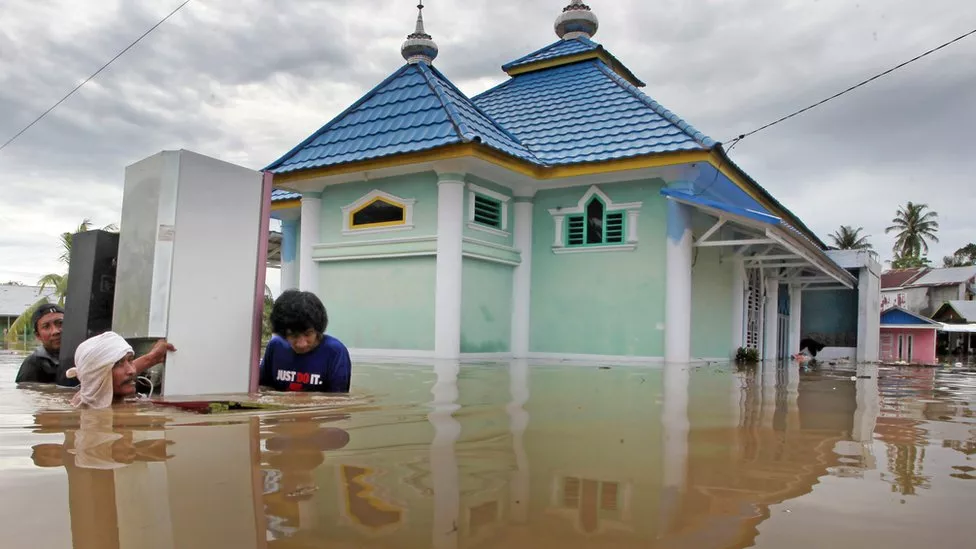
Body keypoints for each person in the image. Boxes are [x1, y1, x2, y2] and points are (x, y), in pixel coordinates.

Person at [259, 290, 351, 393]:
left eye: (308, 334)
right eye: (294, 335)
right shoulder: (275, 346)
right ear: (283, 333)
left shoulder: (335, 352)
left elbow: (338, 399)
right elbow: (262, 388)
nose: (301, 344)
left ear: (317, 330)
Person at [65, 331, 176, 409]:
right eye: (118, 363)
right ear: (97, 375)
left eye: (130, 360)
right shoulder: (85, 414)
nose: (132, 371)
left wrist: (151, 359)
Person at [15, 303, 65, 383]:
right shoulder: (32, 364)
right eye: (46, 326)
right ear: (38, 335)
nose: (55, 331)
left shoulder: (85, 354)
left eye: (60, 323)